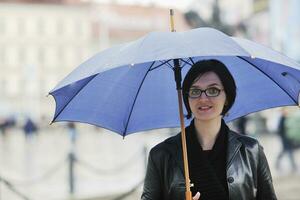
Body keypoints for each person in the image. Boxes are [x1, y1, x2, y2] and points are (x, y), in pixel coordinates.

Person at [141, 60, 277, 200]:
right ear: (187, 98)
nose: (203, 98)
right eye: (195, 91)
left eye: (213, 90)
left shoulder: (251, 151)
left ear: (227, 98)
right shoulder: (161, 155)